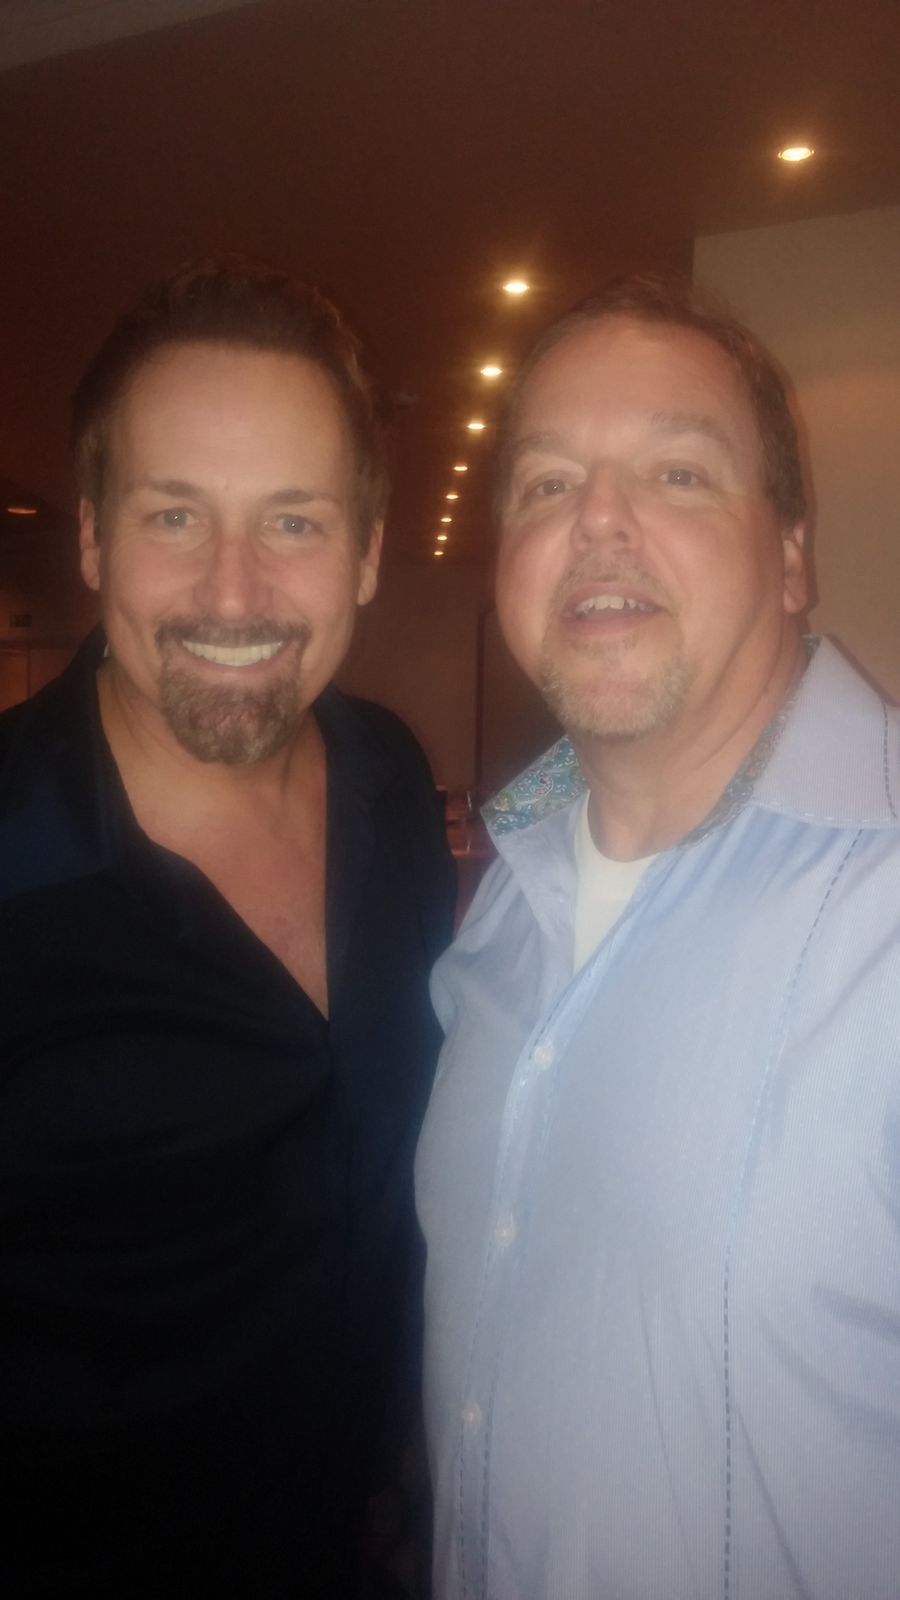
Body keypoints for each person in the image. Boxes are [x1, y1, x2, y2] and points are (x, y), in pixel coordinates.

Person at [416, 275, 900, 1599]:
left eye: (678, 473)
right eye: (546, 483)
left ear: (790, 553)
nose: (597, 521)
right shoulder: (498, 915)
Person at [0, 259, 455, 1597]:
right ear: (94, 538)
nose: (235, 589)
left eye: (294, 521)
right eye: (175, 515)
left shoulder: (388, 778)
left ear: (367, 552)